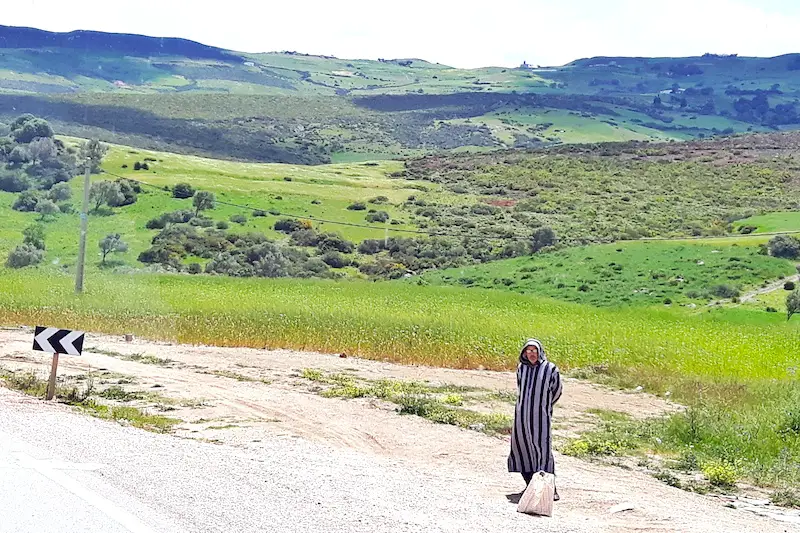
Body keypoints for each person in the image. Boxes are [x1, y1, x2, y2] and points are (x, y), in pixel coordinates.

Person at [507, 338, 563, 500]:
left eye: (534, 351)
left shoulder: (550, 369)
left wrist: (544, 405)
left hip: (541, 417)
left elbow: (557, 390)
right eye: (528, 351)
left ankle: (549, 488)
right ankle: (530, 485)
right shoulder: (521, 368)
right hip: (522, 415)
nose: (531, 354)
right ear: (524, 353)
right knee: (522, 447)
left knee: (542, 450)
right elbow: (520, 388)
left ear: (540, 352)